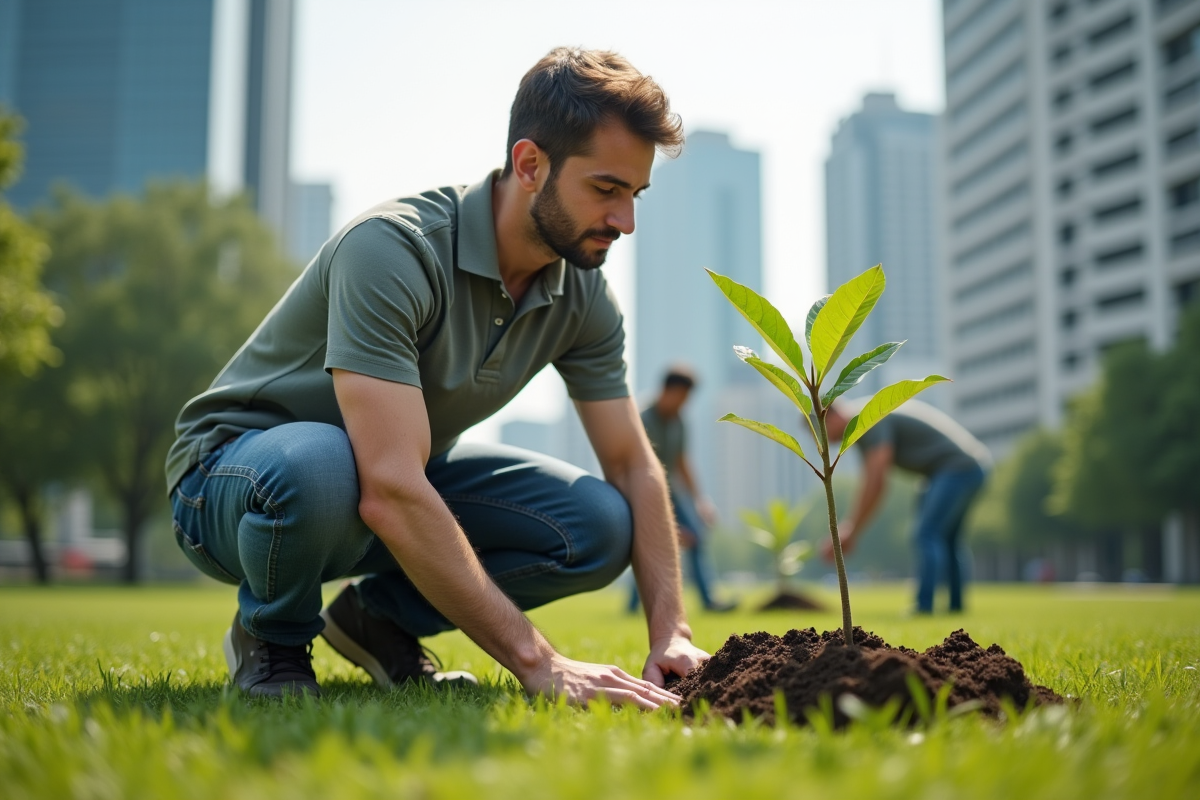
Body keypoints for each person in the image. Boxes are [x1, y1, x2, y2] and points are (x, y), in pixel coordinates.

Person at [165, 48, 707, 705]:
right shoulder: (394, 249)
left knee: (597, 525)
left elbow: (630, 462)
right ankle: (272, 640)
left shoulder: (583, 295)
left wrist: (670, 631)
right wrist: (540, 661)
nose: (626, 222)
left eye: (635, 193)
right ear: (531, 164)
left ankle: (378, 621)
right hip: (231, 482)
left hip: (383, 482)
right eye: (606, 189)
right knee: (322, 462)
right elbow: (389, 484)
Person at [820, 398, 991, 614]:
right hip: (962, 469)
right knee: (946, 539)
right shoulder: (864, 420)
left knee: (926, 533)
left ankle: (924, 606)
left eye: (821, 430)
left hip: (955, 469)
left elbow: (876, 481)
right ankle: (955, 608)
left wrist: (851, 530)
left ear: (832, 415)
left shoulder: (866, 419)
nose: (824, 440)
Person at [628, 368, 736, 613]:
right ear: (668, 390)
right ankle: (635, 605)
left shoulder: (679, 421)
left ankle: (710, 600)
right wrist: (666, 525)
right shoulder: (640, 418)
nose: (684, 403)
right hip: (643, 491)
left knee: (696, 536)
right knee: (646, 546)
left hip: (672, 490)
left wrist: (700, 500)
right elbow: (635, 465)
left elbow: (681, 462)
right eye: (682, 396)